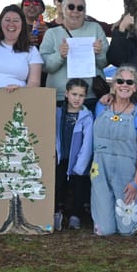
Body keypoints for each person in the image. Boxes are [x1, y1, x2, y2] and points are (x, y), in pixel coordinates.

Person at [90, 66, 137, 236]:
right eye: (120, 81)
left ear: (135, 87)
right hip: (101, 170)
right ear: (113, 85)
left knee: (127, 230)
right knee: (106, 230)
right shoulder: (101, 107)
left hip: (127, 174)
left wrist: (136, 182)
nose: (125, 85)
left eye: (129, 82)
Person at [40, 0, 108, 108]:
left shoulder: (95, 28)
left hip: (91, 96)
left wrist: (99, 53)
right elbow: (45, 65)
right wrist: (60, 56)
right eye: (71, 7)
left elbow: (104, 63)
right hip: (60, 97)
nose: (75, 11)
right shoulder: (51, 33)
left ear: (84, 11)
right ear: (63, 9)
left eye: (80, 8)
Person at [54, 78, 94, 231]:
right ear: (66, 94)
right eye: (74, 94)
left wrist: (81, 164)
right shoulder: (58, 113)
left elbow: (88, 142)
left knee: (78, 187)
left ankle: (75, 215)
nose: (77, 98)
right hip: (61, 158)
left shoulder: (86, 117)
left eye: (81, 95)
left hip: (78, 161)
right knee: (59, 185)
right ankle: (57, 212)